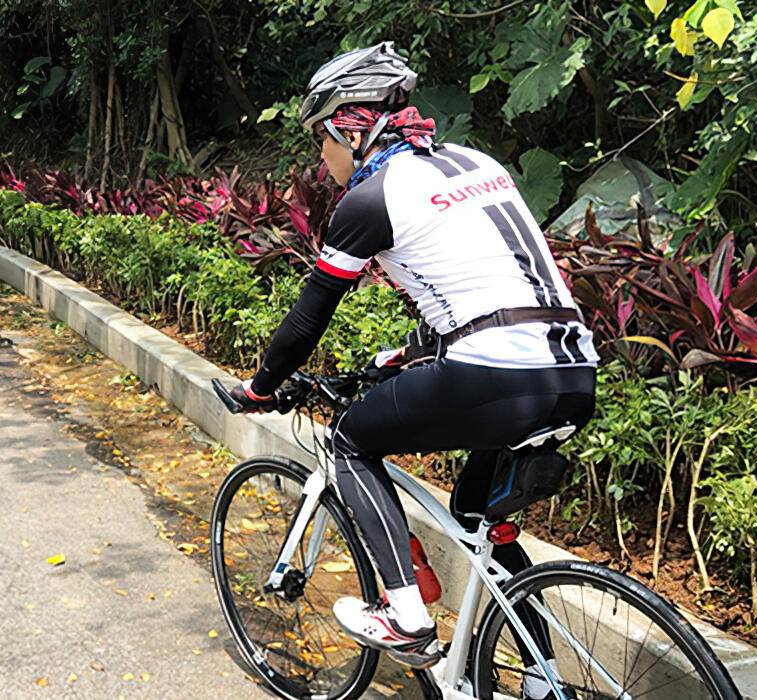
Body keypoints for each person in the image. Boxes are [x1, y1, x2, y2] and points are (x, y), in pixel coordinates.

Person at [226, 42, 597, 680]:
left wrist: (262, 386)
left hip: (496, 371)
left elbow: (309, 317)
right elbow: (488, 285)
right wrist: (409, 355)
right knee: (479, 517)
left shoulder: (372, 199)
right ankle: (543, 678)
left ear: (351, 124)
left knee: (349, 442)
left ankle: (405, 615)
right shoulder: (474, 163)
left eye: (323, 138)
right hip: (571, 370)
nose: (323, 157)